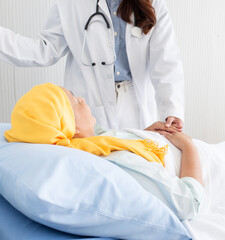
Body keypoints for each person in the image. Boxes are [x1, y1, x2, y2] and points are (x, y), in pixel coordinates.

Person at [4, 83, 203, 220]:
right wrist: (189, 147)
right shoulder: (119, 161)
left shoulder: (95, 140)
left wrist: (140, 136)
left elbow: (108, 136)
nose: (81, 99)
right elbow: (189, 202)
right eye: (74, 100)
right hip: (201, 161)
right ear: (73, 128)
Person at [0, 0, 184, 131]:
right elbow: (45, 50)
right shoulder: (70, 4)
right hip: (90, 107)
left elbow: (166, 63)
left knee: (137, 172)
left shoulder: (154, 3)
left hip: (136, 106)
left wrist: (171, 109)